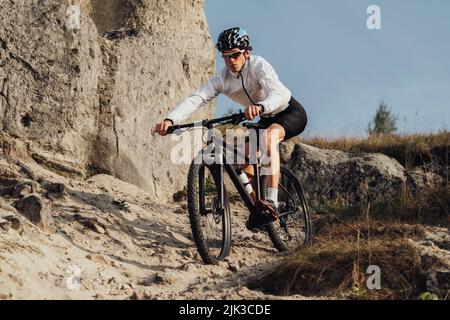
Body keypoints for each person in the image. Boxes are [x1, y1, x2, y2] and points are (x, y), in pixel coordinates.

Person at [155, 27, 307, 230]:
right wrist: (170, 119)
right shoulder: (223, 79)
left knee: (269, 137)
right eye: (226, 57)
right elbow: (197, 98)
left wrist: (261, 107)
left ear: (246, 52)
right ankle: (260, 209)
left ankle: (271, 199)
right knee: (239, 163)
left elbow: (277, 93)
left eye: (235, 55)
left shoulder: (258, 65)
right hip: (261, 119)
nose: (230, 61)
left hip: (288, 112)